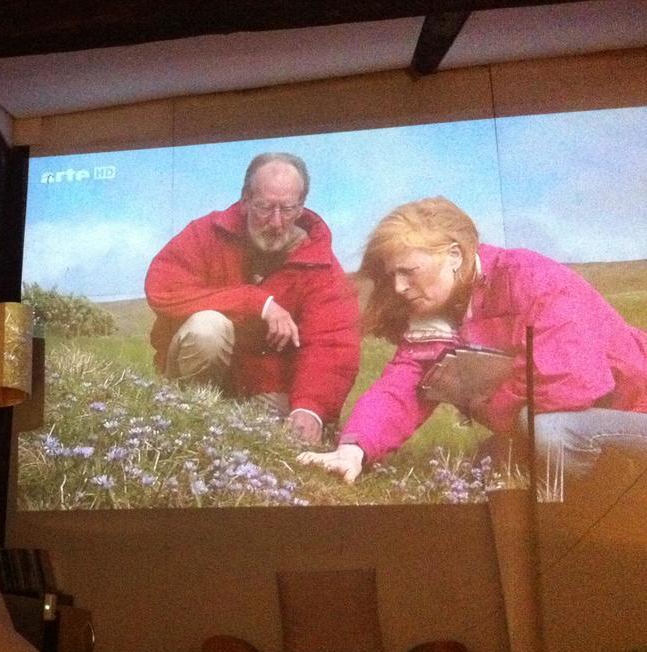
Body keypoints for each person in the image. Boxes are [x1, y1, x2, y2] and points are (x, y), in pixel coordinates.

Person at [298, 196, 647, 484]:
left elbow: (572, 386)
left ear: (454, 256)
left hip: (635, 409)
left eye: (409, 271)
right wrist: (354, 449)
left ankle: (605, 500)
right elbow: (400, 389)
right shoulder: (438, 313)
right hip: (595, 420)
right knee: (485, 464)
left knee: (550, 431)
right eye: (393, 276)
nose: (399, 287)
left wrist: (474, 395)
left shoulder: (530, 278)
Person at [144, 152, 361, 444]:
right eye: (264, 207)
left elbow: (331, 345)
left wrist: (311, 407)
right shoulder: (206, 233)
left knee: (298, 432)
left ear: (301, 207)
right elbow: (162, 287)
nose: (275, 222)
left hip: (265, 391)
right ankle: (184, 422)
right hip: (195, 380)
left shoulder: (321, 265)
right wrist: (255, 302)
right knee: (208, 326)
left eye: (287, 209)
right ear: (245, 199)